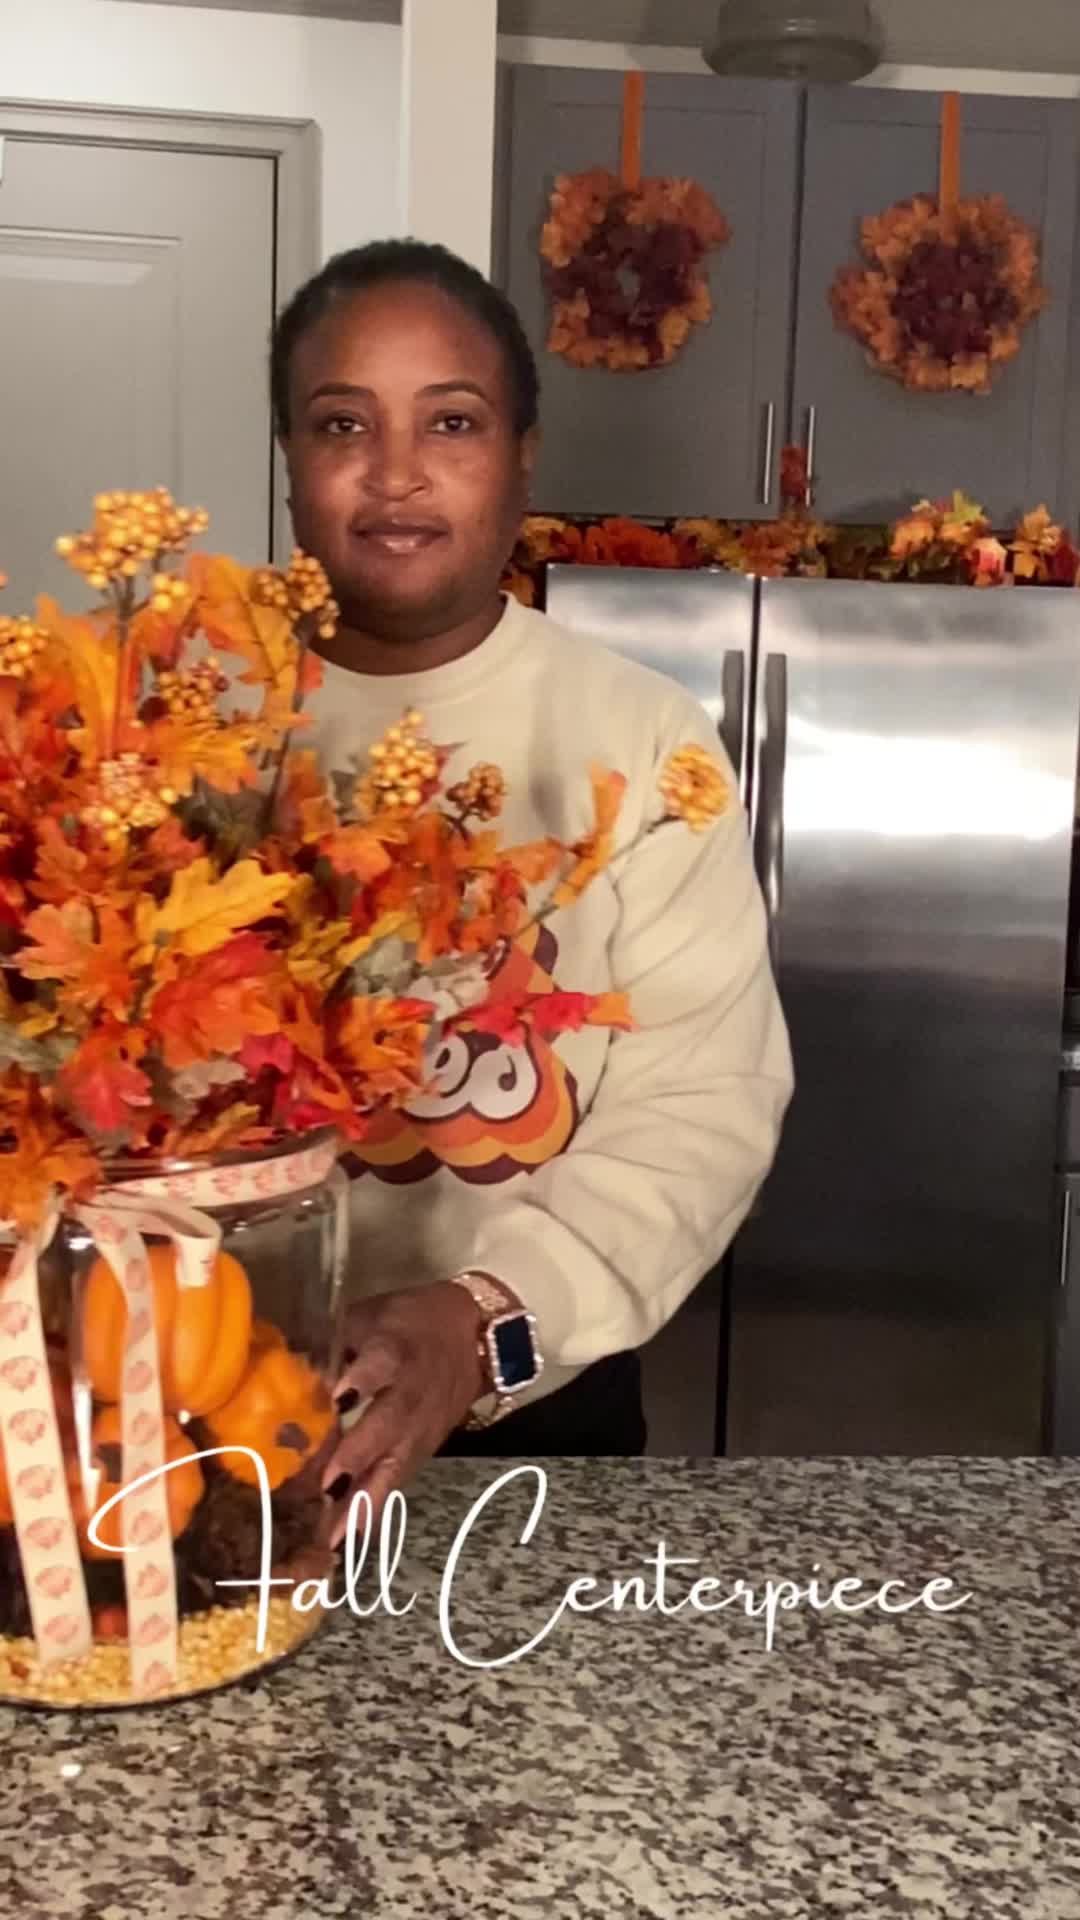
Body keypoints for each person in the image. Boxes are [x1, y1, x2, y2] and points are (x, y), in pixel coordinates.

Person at [270, 239, 793, 1532]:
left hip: (537, 1415)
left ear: (521, 456)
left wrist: (484, 1325)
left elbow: (703, 1101)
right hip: (206, 1395)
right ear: (290, 458)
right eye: (344, 423)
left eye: (451, 421)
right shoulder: (188, 719)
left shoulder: (643, 738)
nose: (395, 473)